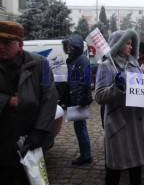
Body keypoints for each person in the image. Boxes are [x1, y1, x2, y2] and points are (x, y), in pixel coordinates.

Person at [0, 21, 57, 184]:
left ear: (20, 44)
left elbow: (49, 97)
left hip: (30, 137)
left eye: (7, 42)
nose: (1, 46)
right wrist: (7, 101)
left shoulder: (40, 63)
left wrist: (39, 132)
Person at [95, 29, 144, 185]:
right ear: (118, 45)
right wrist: (117, 87)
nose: (131, 47)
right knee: (115, 170)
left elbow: (140, 89)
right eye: (127, 43)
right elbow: (99, 96)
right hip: (120, 124)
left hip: (137, 123)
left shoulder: (135, 64)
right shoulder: (106, 66)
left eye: (132, 44)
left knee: (136, 171)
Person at [62, 35, 93, 165]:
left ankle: (86, 156)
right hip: (74, 97)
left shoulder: (82, 59)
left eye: (69, 45)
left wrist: (80, 100)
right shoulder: (73, 59)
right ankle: (85, 154)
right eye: (66, 45)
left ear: (75, 46)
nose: (67, 48)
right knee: (79, 126)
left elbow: (84, 81)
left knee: (80, 127)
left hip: (79, 99)